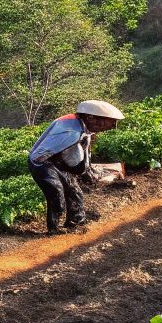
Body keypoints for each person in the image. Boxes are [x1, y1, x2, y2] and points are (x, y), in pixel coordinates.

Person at [28, 99, 123, 234]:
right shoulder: (71, 132)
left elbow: (83, 152)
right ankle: (54, 229)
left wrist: (85, 169)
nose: (111, 126)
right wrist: (67, 168)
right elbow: (46, 154)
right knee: (56, 194)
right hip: (43, 163)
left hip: (58, 163)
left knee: (74, 192)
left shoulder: (82, 126)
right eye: (107, 122)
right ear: (91, 118)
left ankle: (76, 221)